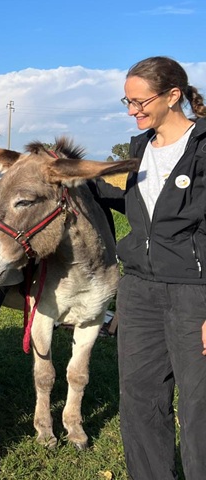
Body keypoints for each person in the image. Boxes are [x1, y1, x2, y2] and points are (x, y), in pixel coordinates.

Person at [110, 56, 206, 480]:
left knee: (199, 404)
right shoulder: (140, 150)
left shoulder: (201, 147)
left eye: (140, 101)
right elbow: (144, 212)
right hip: (139, 290)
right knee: (139, 399)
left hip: (194, 292)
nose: (133, 110)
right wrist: (80, 181)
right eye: (127, 102)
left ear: (172, 96)